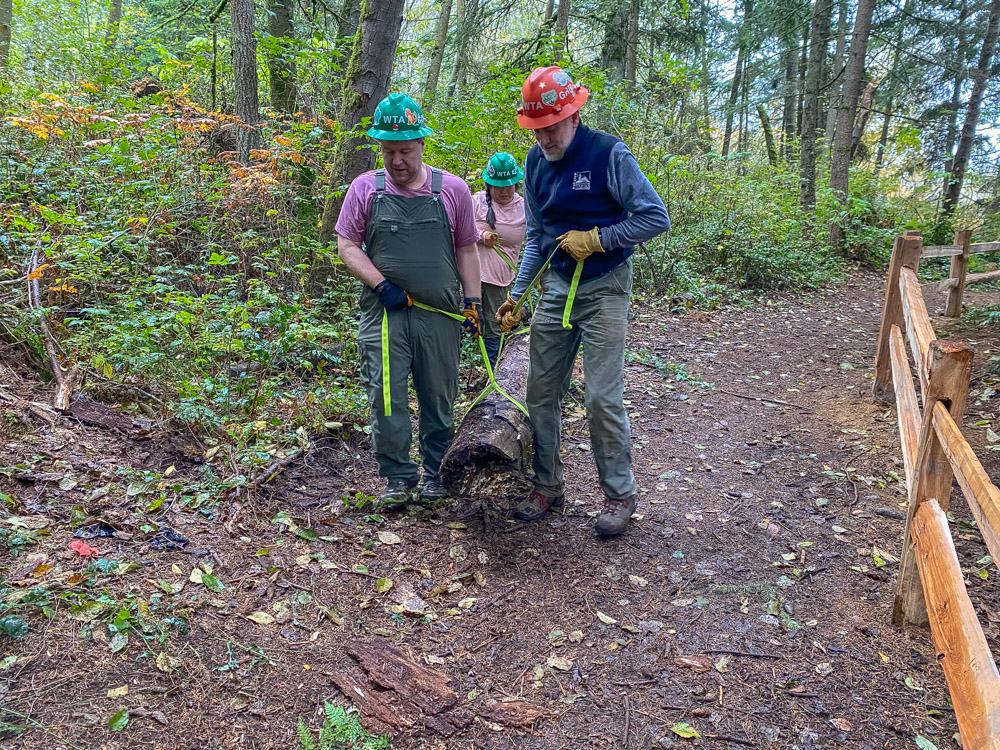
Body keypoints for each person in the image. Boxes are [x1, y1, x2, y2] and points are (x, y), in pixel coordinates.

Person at [496, 66, 671, 537]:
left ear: (574, 115)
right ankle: (548, 485)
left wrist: (599, 238)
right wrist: (517, 293)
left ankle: (619, 494)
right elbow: (536, 235)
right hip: (556, 288)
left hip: (605, 286)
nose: (545, 138)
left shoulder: (608, 153)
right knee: (540, 391)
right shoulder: (533, 164)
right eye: (536, 129)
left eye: (552, 127)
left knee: (600, 396)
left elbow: (656, 217)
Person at [335, 93, 482, 508]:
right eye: (388, 151)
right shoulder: (365, 188)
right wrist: (381, 285)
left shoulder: (452, 190)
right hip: (385, 312)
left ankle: (437, 472)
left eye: (404, 150)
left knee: (439, 393)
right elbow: (347, 245)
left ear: (421, 144)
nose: (396, 160)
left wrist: (472, 302)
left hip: (440, 313)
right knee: (385, 395)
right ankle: (398, 477)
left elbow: (467, 250)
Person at [473, 152, 526, 367]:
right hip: (470, 275)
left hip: (499, 279)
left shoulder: (524, 207)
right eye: (499, 185)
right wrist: (481, 235)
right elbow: (456, 228)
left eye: (509, 185)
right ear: (489, 184)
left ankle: (494, 375)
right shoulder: (476, 201)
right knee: (466, 322)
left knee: (495, 327)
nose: (504, 190)